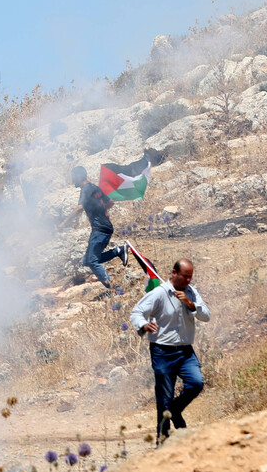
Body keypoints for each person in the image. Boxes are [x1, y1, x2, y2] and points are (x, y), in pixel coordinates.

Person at [130, 258, 211, 442]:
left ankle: (176, 410)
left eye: (190, 277)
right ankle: (163, 440)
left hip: (185, 351)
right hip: (162, 352)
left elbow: (206, 315)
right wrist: (143, 325)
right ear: (174, 273)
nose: (188, 281)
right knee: (164, 398)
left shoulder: (191, 292)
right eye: (185, 276)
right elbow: (137, 312)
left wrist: (191, 304)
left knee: (196, 383)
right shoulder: (159, 293)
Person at [67, 165, 127, 288]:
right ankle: (118, 251)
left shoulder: (85, 189)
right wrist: (100, 210)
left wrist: (64, 223)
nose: (73, 180)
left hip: (100, 229)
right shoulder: (95, 188)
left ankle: (115, 289)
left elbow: (79, 208)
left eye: (74, 177)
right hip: (105, 227)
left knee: (92, 261)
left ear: (79, 176)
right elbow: (110, 202)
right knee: (87, 260)